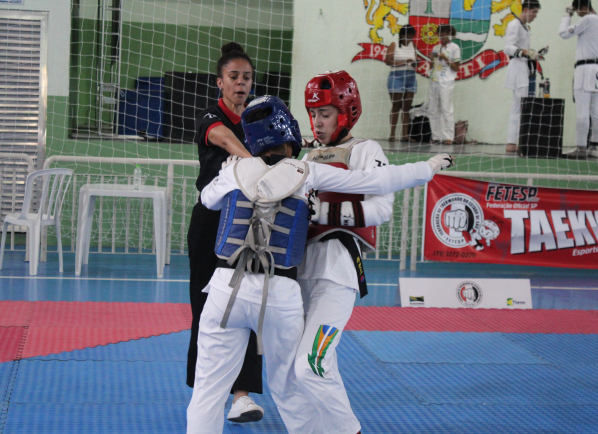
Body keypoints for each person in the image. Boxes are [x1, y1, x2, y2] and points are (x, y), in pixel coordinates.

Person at [186, 95, 454, 434]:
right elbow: (376, 182)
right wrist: (427, 168)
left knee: (207, 391)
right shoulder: (306, 172)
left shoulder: (234, 170)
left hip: (226, 288)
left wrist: (237, 174)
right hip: (279, 292)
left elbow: (208, 199)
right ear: (289, 133)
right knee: (290, 389)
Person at [296, 70, 394, 434]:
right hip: (298, 271)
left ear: (345, 112)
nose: (317, 122)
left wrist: (324, 212)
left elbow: (382, 209)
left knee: (311, 364)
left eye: (324, 113)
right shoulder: (309, 155)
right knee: (301, 367)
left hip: (337, 270)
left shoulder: (366, 150)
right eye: (313, 114)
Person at [185, 41, 265, 423]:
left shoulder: (260, 119)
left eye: (246, 77)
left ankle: (242, 396)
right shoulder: (210, 117)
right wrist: (259, 168)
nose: (241, 83)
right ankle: (206, 393)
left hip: (250, 226)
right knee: (206, 311)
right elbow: (226, 140)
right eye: (234, 77)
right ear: (220, 81)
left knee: (246, 307)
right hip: (210, 226)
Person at [560, 0, 598, 159]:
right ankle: (596, 145)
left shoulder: (588, 19)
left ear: (584, 8)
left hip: (584, 69)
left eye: (578, 10)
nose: (578, 13)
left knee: (582, 109)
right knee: (596, 109)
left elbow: (564, 33)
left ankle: (581, 147)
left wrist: (567, 15)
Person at [503, 0, 543, 154]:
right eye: (534, 12)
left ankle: (515, 140)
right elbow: (508, 47)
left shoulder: (524, 27)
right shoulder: (514, 24)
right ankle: (512, 142)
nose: (535, 16)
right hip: (518, 67)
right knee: (519, 106)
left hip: (523, 67)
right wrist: (526, 52)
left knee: (520, 106)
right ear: (525, 9)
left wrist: (533, 53)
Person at [428, 25, 461, 145]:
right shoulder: (436, 47)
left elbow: (456, 67)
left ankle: (448, 136)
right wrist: (431, 59)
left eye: (444, 34)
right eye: (440, 34)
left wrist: (446, 59)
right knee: (433, 109)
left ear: (450, 35)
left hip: (447, 80)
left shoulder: (454, 47)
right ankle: (436, 135)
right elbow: (431, 66)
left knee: (446, 108)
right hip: (434, 80)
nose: (442, 37)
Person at [385, 24, 417, 143]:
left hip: (410, 76)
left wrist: (414, 63)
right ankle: (392, 134)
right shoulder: (394, 44)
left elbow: (415, 60)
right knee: (396, 106)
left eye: (411, 37)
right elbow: (388, 61)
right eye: (408, 36)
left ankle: (405, 135)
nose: (409, 39)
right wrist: (404, 62)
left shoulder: (413, 45)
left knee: (406, 107)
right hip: (396, 76)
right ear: (402, 35)